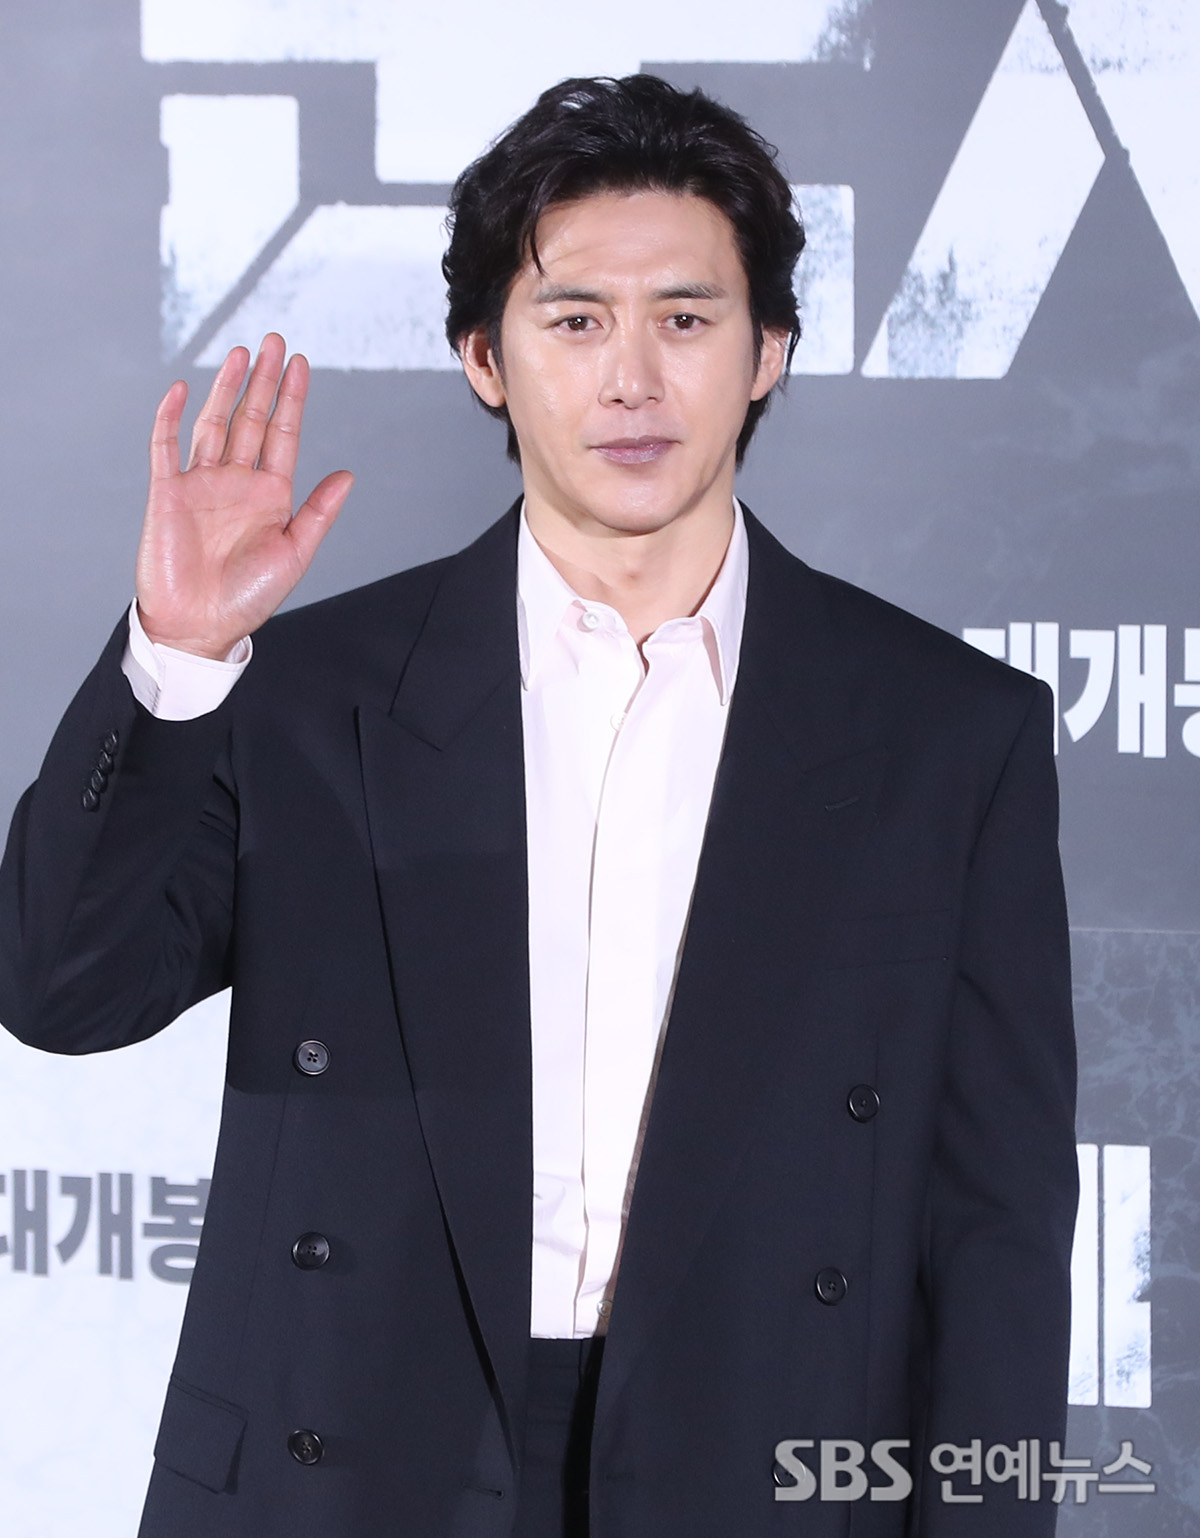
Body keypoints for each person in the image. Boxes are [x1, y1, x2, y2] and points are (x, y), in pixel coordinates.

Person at [0, 74, 1077, 1538]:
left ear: (768, 350)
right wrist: (177, 660)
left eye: (685, 319)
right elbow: (63, 989)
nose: (632, 379)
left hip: (757, 1459)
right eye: (575, 321)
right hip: (353, 1461)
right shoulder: (309, 696)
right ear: (485, 360)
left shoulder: (946, 732)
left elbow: (1000, 1230)